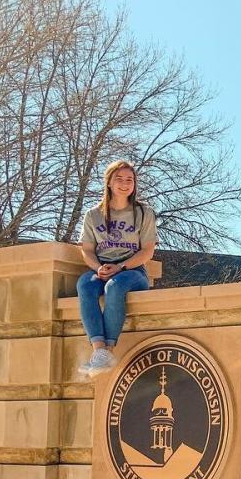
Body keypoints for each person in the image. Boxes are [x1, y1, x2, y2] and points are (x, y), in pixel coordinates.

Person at [76, 159, 157, 376]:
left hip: (132, 272)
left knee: (114, 287)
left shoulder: (143, 213)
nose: (125, 183)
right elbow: (87, 250)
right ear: (109, 182)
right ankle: (99, 351)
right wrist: (98, 268)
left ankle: (108, 351)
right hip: (101, 269)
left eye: (129, 179)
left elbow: (147, 251)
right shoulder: (93, 215)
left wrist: (120, 267)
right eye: (119, 179)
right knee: (84, 285)